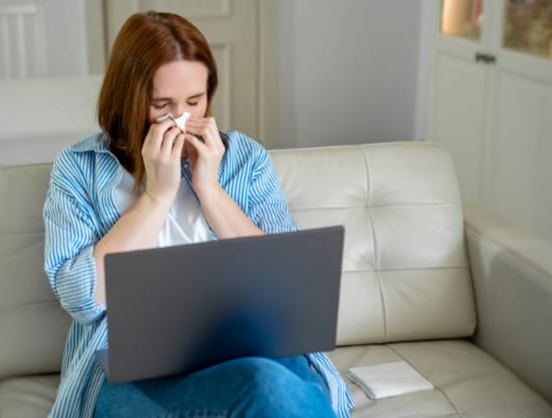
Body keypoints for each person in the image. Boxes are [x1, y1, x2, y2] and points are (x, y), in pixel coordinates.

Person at [43, 10, 354, 418]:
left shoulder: (243, 159)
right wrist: (156, 196)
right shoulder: (79, 167)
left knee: (268, 385)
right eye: (162, 105)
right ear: (129, 99)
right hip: (132, 368)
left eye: (195, 101)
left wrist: (210, 191)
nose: (182, 118)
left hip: (248, 351)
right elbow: (83, 299)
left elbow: (285, 287)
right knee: (267, 391)